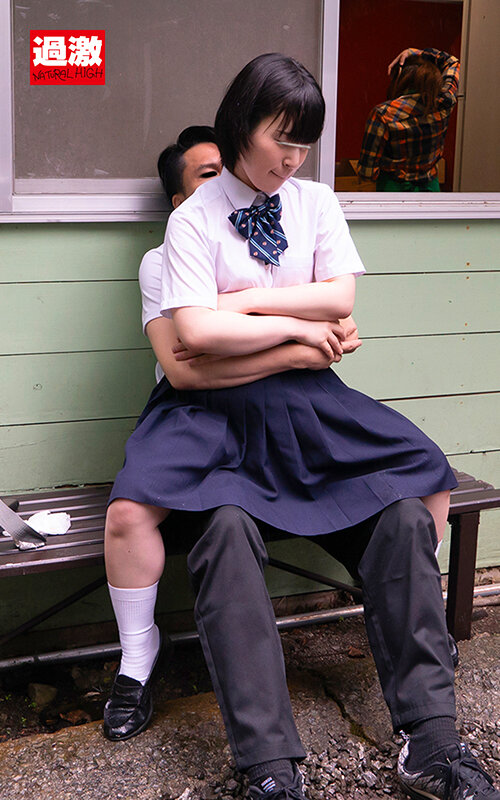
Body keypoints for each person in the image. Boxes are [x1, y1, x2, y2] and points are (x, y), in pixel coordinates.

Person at [105, 54, 498, 800]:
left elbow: (340, 299)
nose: (292, 158)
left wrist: (240, 304)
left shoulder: (315, 202)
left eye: (304, 144)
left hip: (311, 405)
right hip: (211, 418)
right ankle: (269, 767)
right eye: (280, 139)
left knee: (407, 505)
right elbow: (196, 336)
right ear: (241, 125)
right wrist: (294, 326)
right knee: (223, 528)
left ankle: (432, 740)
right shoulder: (192, 220)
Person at [357, 47, 460, 191]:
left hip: (394, 191)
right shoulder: (444, 103)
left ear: (402, 79)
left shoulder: (383, 114)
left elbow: (367, 172)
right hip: (430, 191)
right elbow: (452, 62)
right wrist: (416, 52)